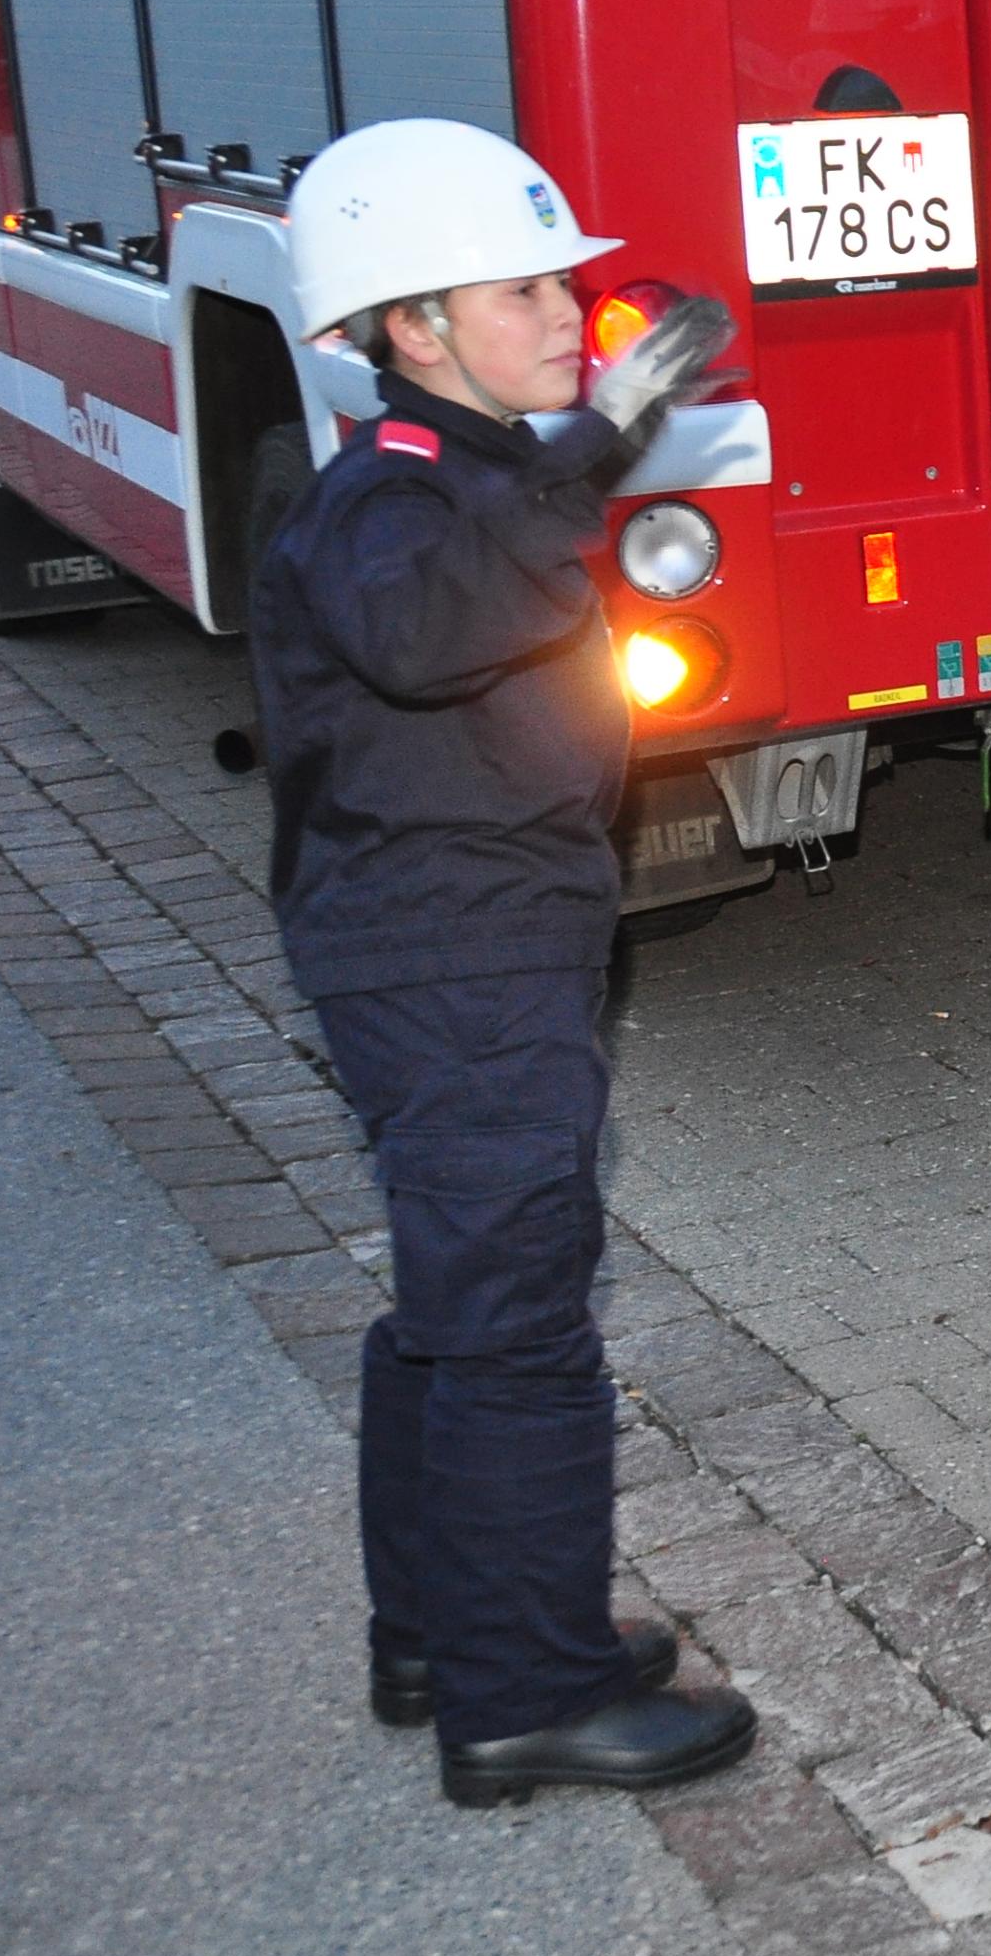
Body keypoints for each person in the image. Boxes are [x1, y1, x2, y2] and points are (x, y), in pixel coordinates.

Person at [249, 118, 759, 1806]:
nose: (566, 315)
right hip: (449, 956)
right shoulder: (386, 493)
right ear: (414, 325)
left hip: (475, 936)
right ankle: (523, 1696)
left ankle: (440, 1636)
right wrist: (592, 446)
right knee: (518, 1318)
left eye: (562, 284)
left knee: (458, 1302)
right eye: (522, 290)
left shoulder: (457, 471)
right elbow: (423, 628)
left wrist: (578, 451)